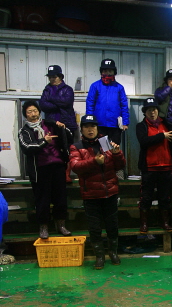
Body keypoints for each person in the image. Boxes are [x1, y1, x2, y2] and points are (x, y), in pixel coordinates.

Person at [69, 114, 125, 269]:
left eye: (93, 126)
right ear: (82, 129)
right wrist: (94, 161)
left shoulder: (104, 142)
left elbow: (119, 165)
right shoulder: (77, 146)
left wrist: (117, 154)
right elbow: (75, 167)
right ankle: (99, 256)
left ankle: (113, 253)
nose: (90, 129)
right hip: (91, 195)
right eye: (87, 127)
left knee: (112, 226)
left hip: (110, 192)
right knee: (94, 228)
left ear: (97, 128)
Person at [18, 100, 72, 240]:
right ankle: (43, 226)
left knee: (60, 198)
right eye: (29, 112)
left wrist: (62, 128)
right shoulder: (24, 131)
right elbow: (27, 148)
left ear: (39, 112)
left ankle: (61, 224)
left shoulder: (50, 124)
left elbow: (69, 138)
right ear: (25, 115)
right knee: (42, 200)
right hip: (40, 170)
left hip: (58, 166)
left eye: (35, 111)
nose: (33, 114)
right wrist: (43, 142)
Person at [136, 97, 172, 234]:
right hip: (149, 168)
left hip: (165, 167)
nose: (152, 112)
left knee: (164, 197)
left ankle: (164, 223)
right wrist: (162, 136)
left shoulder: (167, 124)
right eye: (149, 110)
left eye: (154, 109)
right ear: (145, 112)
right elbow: (144, 141)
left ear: (158, 111)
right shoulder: (141, 126)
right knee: (146, 197)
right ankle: (144, 224)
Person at [86, 58, 129, 147]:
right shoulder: (95, 86)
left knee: (114, 148)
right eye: (105, 70)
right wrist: (90, 121)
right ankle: (104, 161)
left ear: (114, 72)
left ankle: (114, 161)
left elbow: (124, 105)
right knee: (103, 149)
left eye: (110, 71)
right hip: (100, 124)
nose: (108, 73)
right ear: (101, 72)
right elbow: (90, 103)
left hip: (115, 125)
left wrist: (125, 122)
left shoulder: (119, 87)